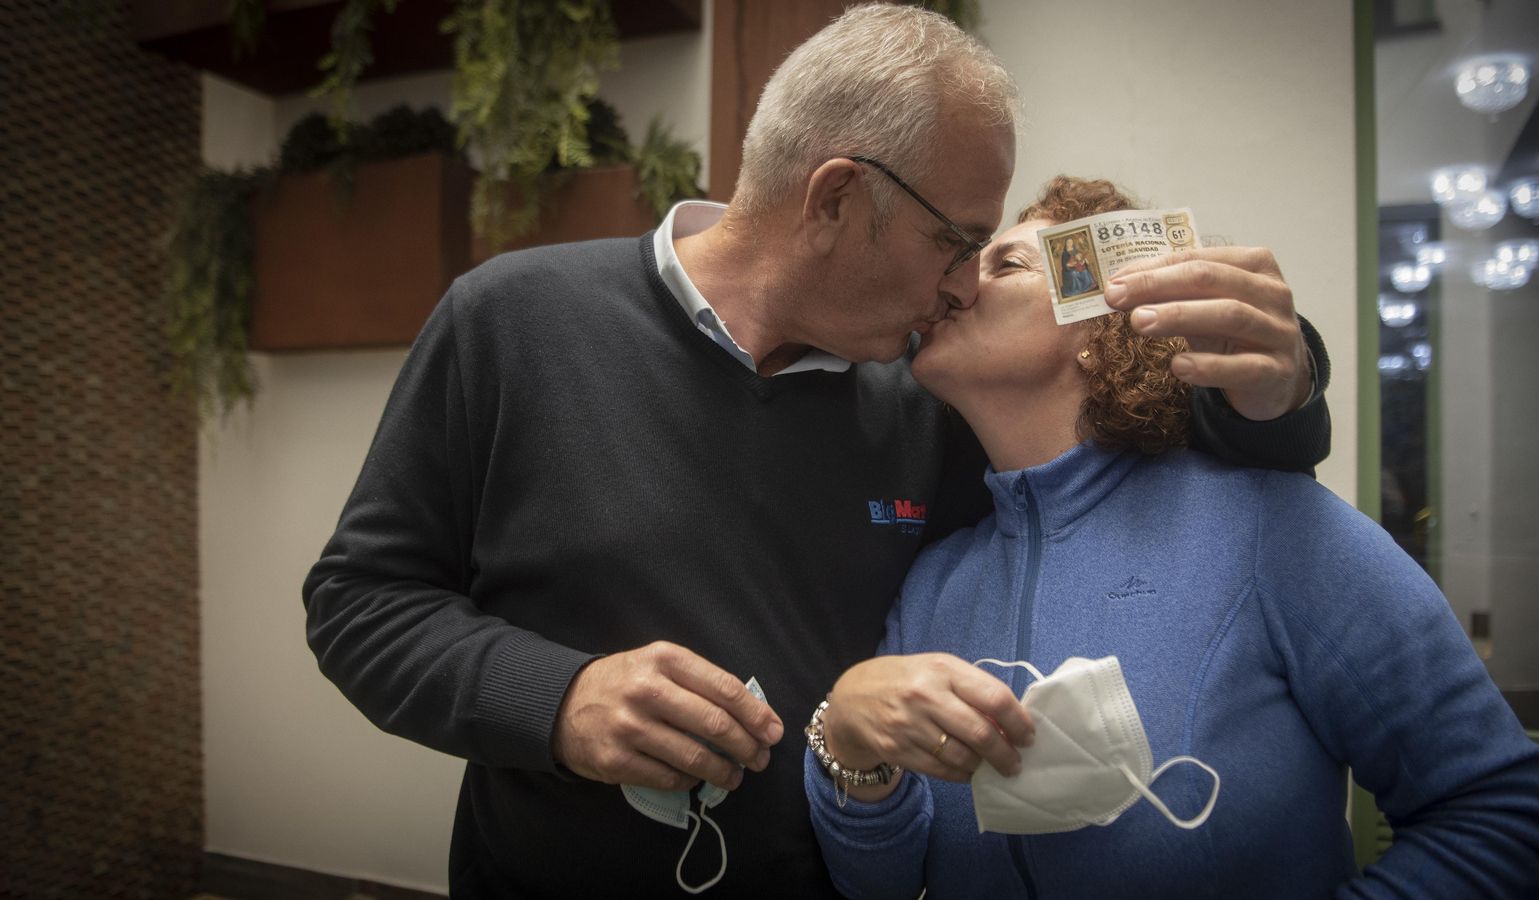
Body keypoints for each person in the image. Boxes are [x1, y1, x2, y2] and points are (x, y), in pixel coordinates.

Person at [303, 6, 1333, 896]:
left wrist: (1285, 377)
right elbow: (362, 603)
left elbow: (1137, 417)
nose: (967, 285)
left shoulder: (929, 391)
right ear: (836, 198)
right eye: (953, 242)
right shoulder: (511, 322)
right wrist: (557, 700)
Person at [804, 177, 1539, 899]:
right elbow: (881, 883)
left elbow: (1501, 818)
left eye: (1004, 263)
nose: (959, 284)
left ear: (1104, 333)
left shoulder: (1271, 529)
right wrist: (848, 746)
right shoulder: (935, 581)